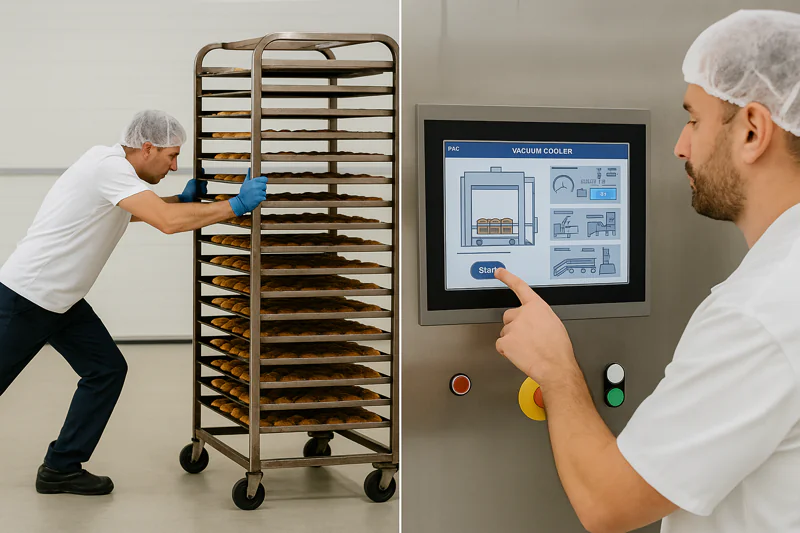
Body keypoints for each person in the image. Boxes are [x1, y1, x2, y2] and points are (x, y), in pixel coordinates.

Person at [493, 9, 800, 533]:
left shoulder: (761, 314)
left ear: (752, 131)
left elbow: (610, 503)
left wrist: (557, 370)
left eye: (695, 120)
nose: (681, 146)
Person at [0, 110, 267, 496]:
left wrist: (179, 199)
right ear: (147, 148)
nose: (175, 166)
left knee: (107, 370)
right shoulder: (108, 168)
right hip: (28, 298)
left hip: (64, 302)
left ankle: (61, 467)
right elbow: (165, 222)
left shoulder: (109, 166)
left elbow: (136, 211)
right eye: (172, 156)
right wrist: (235, 206)